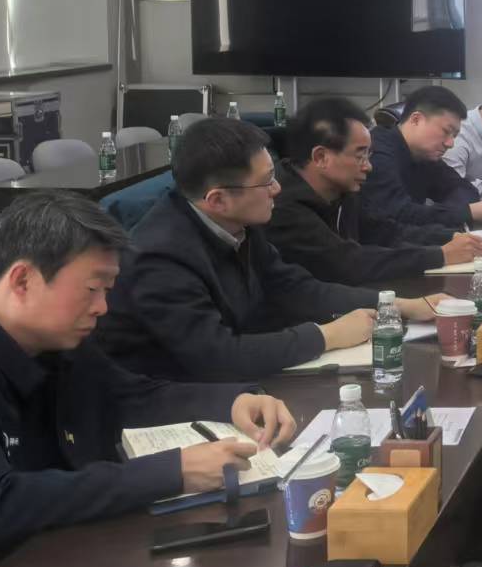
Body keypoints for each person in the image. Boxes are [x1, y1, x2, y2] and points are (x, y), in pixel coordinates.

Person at [0, 193, 298, 567]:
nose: (102, 307)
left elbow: (131, 396)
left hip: (68, 550)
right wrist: (174, 471)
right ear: (23, 280)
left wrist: (233, 401)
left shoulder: (56, 335)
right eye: (92, 289)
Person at [101, 119, 435, 381]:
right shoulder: (160, 258)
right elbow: (217, 356)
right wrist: (326, 336)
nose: (277, 189)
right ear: (217, 199)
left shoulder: (239, 221)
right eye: (266, 181)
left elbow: (295, 288)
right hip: (169, 403)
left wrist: (398, 306)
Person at [266, 97, 482, 287]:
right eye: (360, 156)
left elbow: (385, 232)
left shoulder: (341, 192)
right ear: (320, 157)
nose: (368, 166)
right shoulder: (282, 207)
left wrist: (450, 237)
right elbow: (347, 263)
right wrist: (441, 255)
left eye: (369, 155)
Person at [362, 85, 482, 230]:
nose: (450, 144)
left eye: (454, 136)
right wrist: (465, 213)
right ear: (416, 120)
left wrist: (453, 213)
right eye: (446, 131)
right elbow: (397, 214)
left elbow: (464, 188)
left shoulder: (424, 155)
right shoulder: (376, 152)